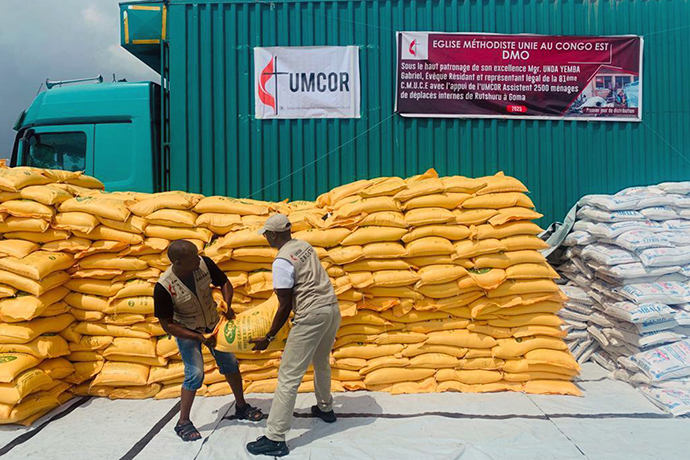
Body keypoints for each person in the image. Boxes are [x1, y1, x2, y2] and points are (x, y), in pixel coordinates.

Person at [246, 214, 342, 457]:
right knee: (321, 363)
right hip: (331, 309)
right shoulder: (304, 246)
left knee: (289, 376)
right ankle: (325, 408)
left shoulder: (281, 261)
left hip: (311, 316)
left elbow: (285, 304)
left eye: (267, 234)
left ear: (275, 235)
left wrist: (268, 337)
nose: (265, 237)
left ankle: (275, 437)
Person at [154, 239, 263, 442]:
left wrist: (227, 304)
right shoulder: (164, 287)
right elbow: (167, 325)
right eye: (193, 258)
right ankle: (183, 422)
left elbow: (224, 283)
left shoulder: (204, 263)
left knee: (230, 363)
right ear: (178, 262)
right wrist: (198, 338)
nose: (198, 259)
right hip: (187, 332)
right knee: (195, 374)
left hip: (215, 324)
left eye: (197, 255)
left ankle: (241, 406)